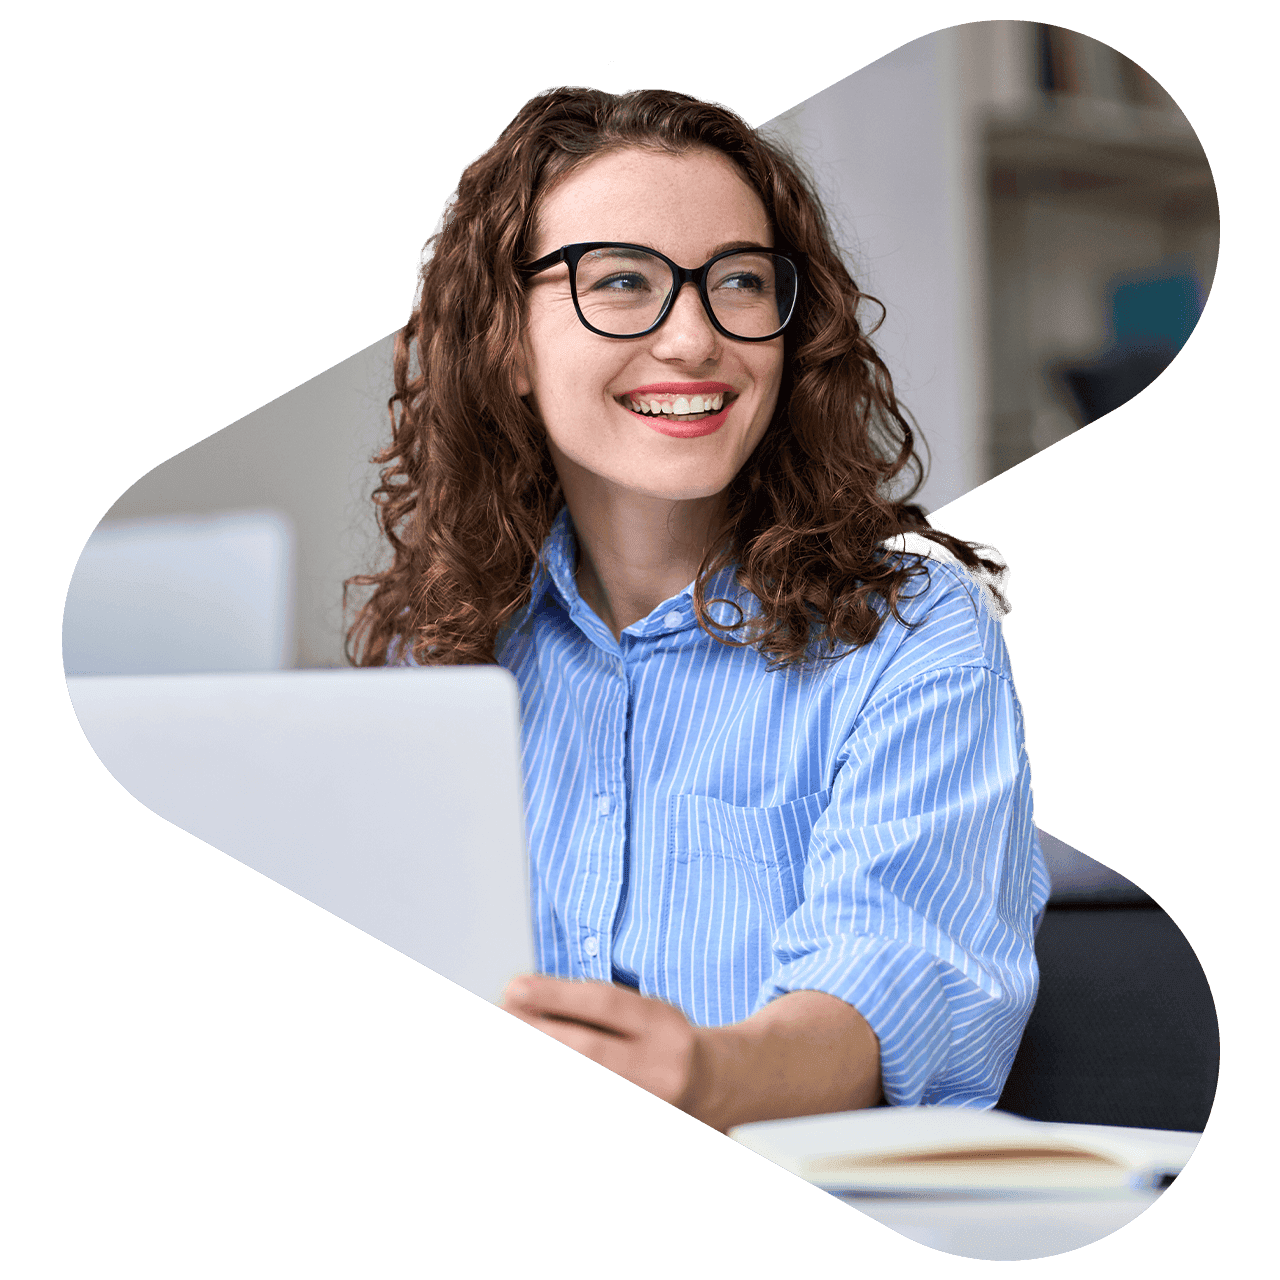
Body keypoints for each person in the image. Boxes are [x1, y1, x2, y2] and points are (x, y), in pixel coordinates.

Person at [346, 87, 1050, 1134]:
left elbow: (900, 987)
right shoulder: (440, 646)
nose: (693, 338)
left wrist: (703, 1076)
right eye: (621, 282)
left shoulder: (909, 630)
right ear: (505, 342)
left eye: (737, 283)